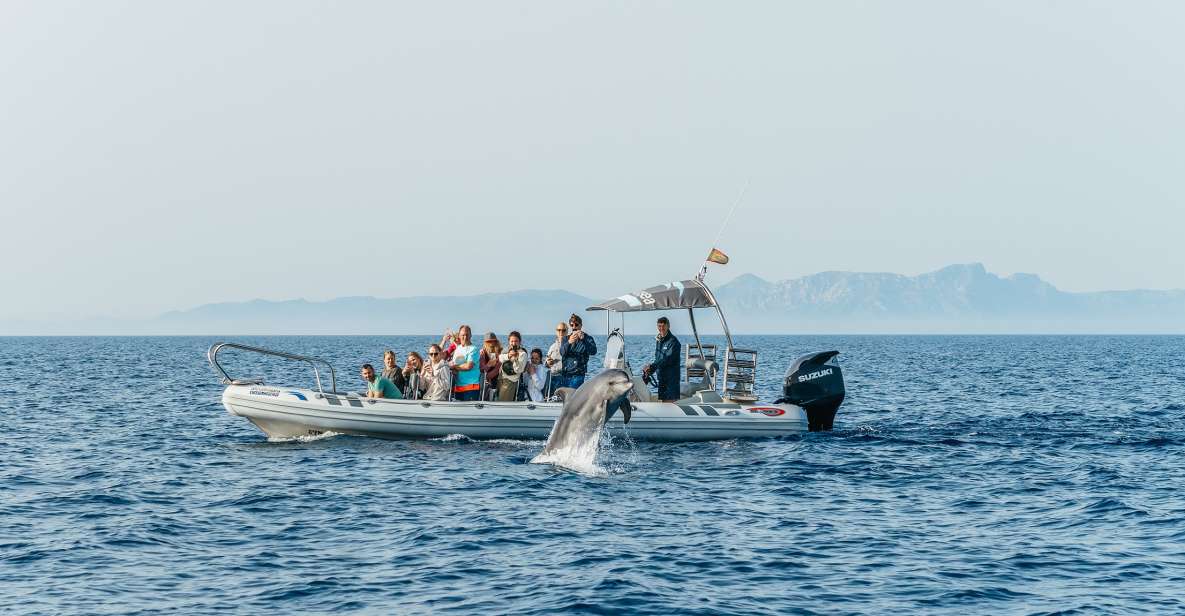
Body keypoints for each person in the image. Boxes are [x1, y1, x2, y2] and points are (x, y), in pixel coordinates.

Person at [642, 316, 681, 402]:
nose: (661, 328)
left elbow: (667, 359)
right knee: (663, 404)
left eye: (663, 326)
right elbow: (658, 359)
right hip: (662, 378)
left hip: (671, 380)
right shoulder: (659, 341)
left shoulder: (673, 342)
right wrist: (650, 370)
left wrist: (652, 366)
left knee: (669, 405)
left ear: (668, 326)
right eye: (659, 326)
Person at [558, 313, 597, 389]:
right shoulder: (566, 339)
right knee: (565, 397)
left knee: (572, 395)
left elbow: (593, 351)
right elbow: (562, 352)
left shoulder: (588, 338)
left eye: (576, 325)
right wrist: (569, 342)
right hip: (565, 374)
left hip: (578, 374)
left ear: (581, 325)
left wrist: (584, 340)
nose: (574, 327)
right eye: (572, 325)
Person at [449, 325, 481, 401]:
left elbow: (468, 366)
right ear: (459, 336)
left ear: (471, 335)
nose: (465, 337)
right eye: (463, 335)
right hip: (458, 387)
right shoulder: (458, 349)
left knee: (470, 412)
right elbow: (454, 367)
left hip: (471, 387)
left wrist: (454, 367)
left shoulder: (474, 349)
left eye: (467, 335)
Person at [497, 330, 528, 401]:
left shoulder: (522, 354)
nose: (514, 343)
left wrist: (515, 359)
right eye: (512, 341)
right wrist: (508, 356)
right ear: (509, 342)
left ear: (520, 342)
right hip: (501, 379)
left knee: (503, 404)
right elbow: (500, 358)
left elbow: (519, 370)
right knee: (498, 400)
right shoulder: (507, 350)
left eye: (516, 341)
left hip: (510, 382)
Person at [545, 322, 566, 394]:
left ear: (567, 331)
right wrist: (548, 363)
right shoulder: (552, 346)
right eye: (559, 330)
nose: (561, 332)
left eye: (563, 330)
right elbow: (546, 364)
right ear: (556, 331)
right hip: (553, 378)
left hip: (565, 378)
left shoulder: (570, 345)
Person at [479, 332, 503, 400]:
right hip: (487, 383)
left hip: (498, 381)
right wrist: (489, 365)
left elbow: (498, 368)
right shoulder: (483, 353)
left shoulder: (501, 352)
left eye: (493, 341)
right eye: (489, 342)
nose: (491, 343)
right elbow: (482, 371)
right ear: (485, 343)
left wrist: (497, 362)